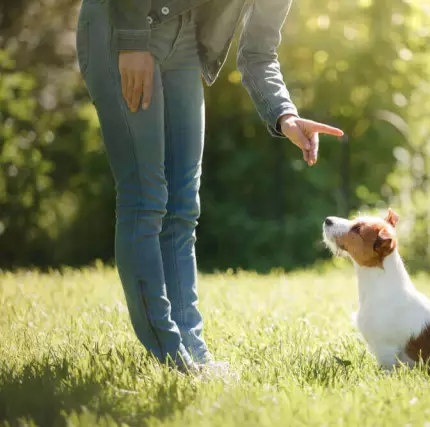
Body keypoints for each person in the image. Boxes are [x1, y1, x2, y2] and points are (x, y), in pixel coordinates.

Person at [75, 0, 344, 376]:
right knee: (145, 198)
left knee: (183, 206)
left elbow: (258, 54)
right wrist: (133, 40)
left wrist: (285, 114)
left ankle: (192, 351)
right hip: (121, 25)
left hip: (181, 41)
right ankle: (169, 353)